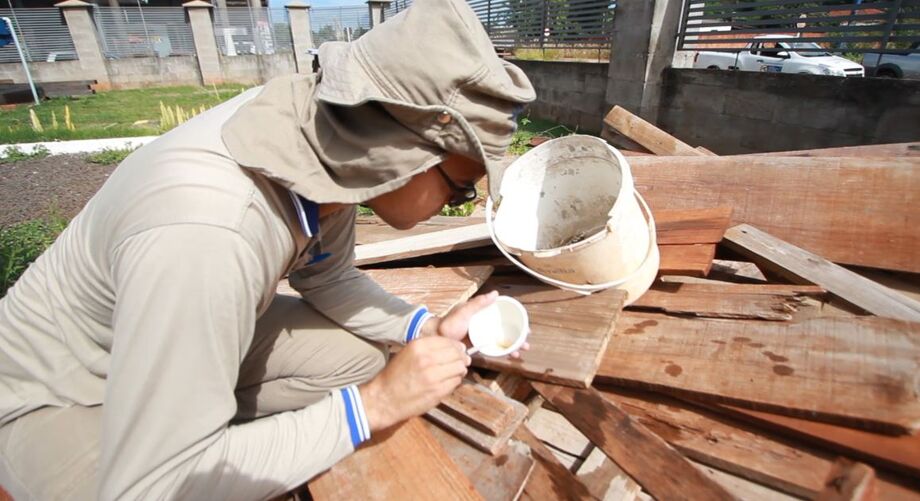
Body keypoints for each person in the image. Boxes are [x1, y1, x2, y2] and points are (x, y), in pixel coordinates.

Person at [0, 0, 536, 498]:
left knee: (357, 361)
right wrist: (378, 405)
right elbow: (148, 485)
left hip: (148, 334)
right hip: (58, 395)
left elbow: (327, 277)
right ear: (403, 154)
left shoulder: (331, 141)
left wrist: (425, 328)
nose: (460, 200)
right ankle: (190, 434)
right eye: (460, 186)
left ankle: (193, 421)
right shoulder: (210, 234)